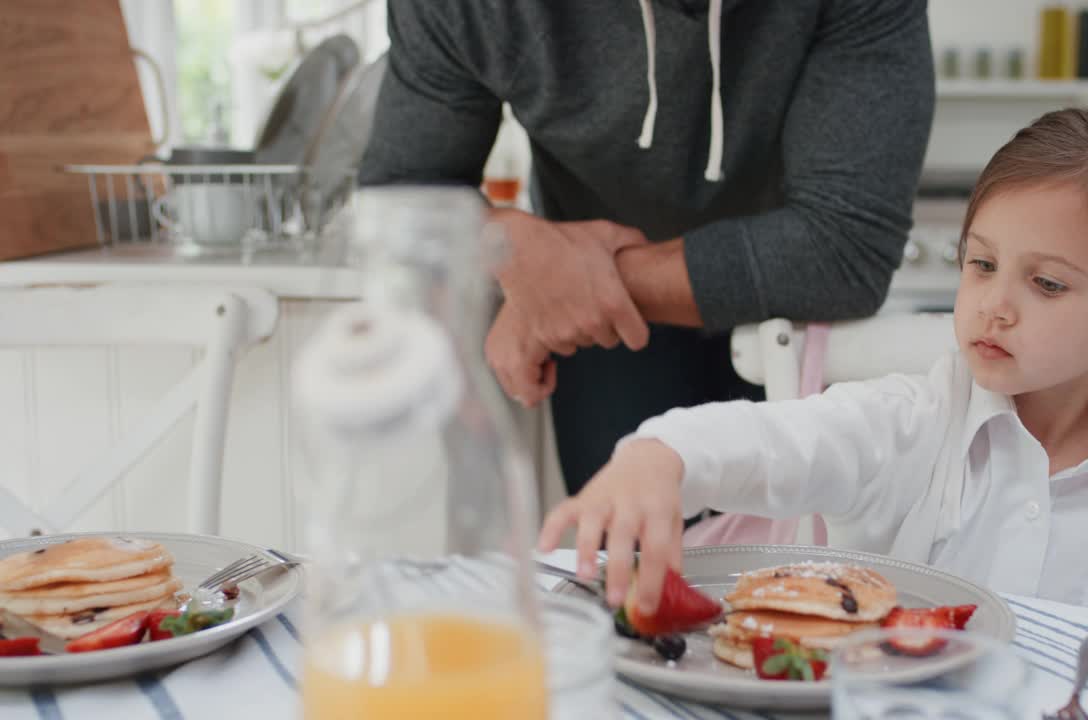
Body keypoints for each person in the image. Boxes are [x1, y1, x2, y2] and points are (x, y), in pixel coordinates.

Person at [538, 107, 1088, 651]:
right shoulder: (914, 423)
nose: (994, 305)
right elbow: (780, 442)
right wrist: (658, 456)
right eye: (982, 264)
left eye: (1046, 284)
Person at [358, 1, 935, 497]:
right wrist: (507, 247)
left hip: (796, 311)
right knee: (629, 586)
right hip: (608, 340)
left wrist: (569, 284)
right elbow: (399, 199)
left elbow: (846, 244)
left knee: (800, 584)